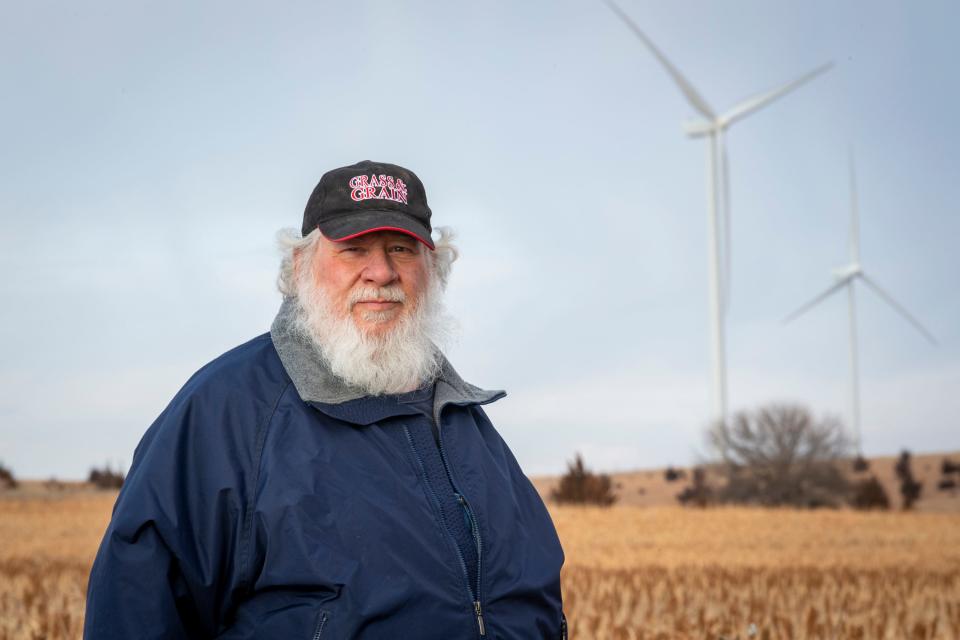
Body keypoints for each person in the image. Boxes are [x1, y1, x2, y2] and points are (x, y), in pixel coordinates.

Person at [84, 160, 566, 639]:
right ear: (300, 267)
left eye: (401, 248)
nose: (381, 272)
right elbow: (135, 612)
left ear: (433, 268)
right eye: (353, 249)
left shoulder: (466, 421)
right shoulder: (224, 413)